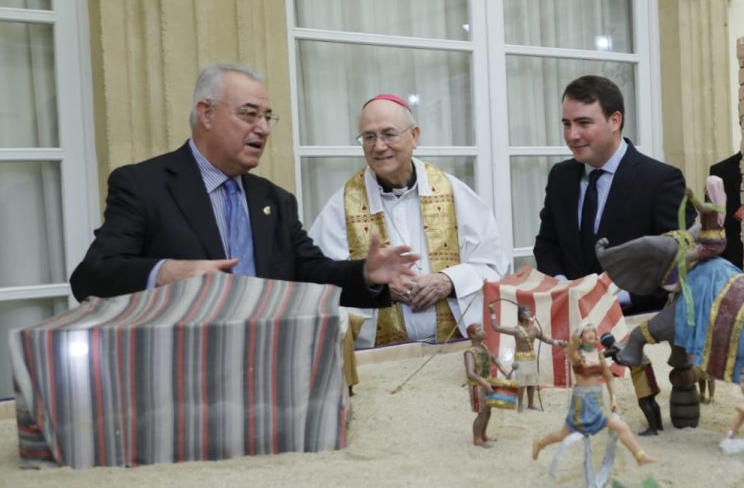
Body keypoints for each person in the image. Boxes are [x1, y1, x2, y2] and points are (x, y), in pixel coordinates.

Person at [70, 64, 417, 305]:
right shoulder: (144, 186)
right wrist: (166, 273)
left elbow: (310, 273)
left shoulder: (274, 200)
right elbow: (91, 277)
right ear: (206, 114)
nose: (263, 128)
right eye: (249, 114)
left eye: (267, 117)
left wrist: (366, 274)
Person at [309, 94, 509, 345]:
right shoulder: (341, 206)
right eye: (369, 136)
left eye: (389, 134)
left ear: (414, 136)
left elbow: (493, 266)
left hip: (452, 347)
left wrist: (448, 280)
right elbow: (321, 283)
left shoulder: (455, 193)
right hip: (379, 356)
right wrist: (375, 287)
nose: (379, 146)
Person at [533, 75, 690, 313]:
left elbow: (681, 259)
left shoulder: (660, 180)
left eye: (583, 123)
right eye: (567, 124)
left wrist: (617, 295)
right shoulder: (560, 177)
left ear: (615, 120)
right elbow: (547, 244)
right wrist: (563, 286)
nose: (572, 135)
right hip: (569, 324)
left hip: (636, 326)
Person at [532, 323, 657, 468]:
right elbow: (571, 349)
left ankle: (640, 456)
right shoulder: (577, 355)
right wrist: (573, 339)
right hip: (581, 403)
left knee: (621, 427)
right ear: (580, 337)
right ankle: (540, 443)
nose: (591, 334)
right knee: (563, 434)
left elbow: (609, 377)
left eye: (593, 331)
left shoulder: (599, 356)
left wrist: (613, 399)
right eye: (587, 332)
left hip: (597, 401)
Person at [489, 305, 565, 412]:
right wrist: (492, 313)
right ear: (521, 315)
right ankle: (520, 405)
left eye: (530, 310)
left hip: (532, 358)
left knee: (532, 382)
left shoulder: (534, 329)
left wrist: (557, 342)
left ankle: (531, 404)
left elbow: (546, 339)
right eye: (526, 311)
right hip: (521, 359)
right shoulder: (516, 330)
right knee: (521, 383)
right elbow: (496, 328)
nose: (529, 312)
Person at [464, 323, 511, 448]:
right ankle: (477, 438)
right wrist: (484, 383)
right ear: (472, 335)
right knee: (482, 412)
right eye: (479, 330)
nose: (484, 332)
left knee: (488, 411)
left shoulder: (484, 347)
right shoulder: (469, 352)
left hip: (488, 383)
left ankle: (483, 435)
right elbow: (470, 372)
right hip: (478, 386)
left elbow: (494, 359)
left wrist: (505, 371)